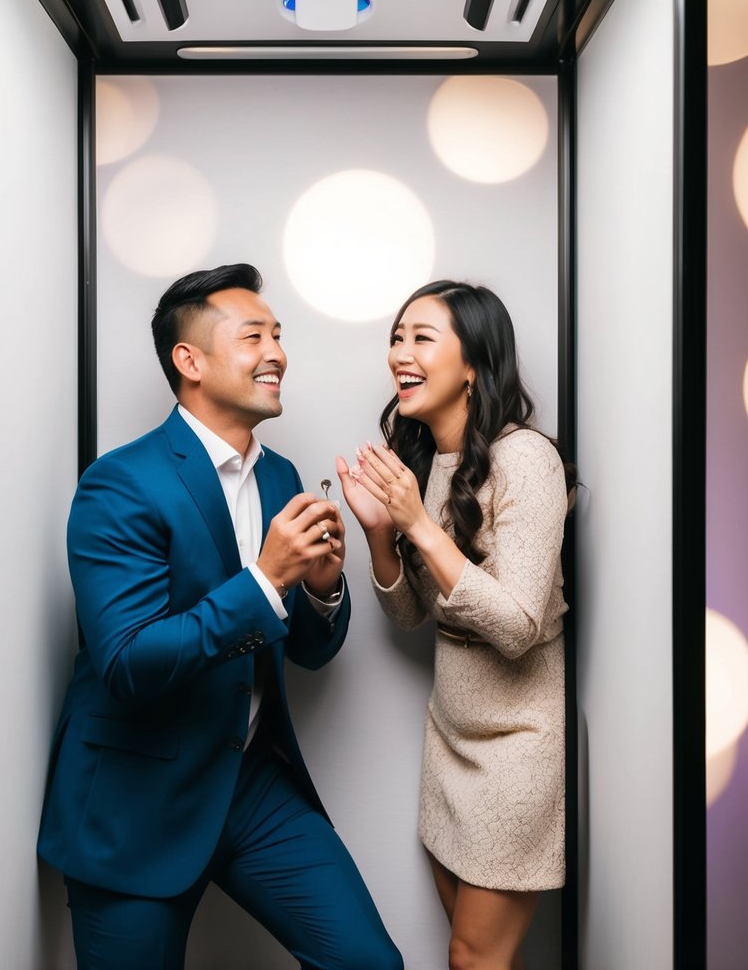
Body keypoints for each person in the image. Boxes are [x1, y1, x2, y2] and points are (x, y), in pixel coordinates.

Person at [38, 263, 403, 970]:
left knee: (368, 963)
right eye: (254, 336)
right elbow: (126, 663)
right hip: (134, 798)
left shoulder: (280, 477)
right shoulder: (120, 483)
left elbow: (306, 651)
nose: (276, 353)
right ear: (190, 360)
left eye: (278, 335)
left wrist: (322, 590)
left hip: (251, 784)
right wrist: (267, 579)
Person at [336, 280, 570, 970]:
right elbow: (413, 616)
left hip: (515, 745)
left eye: (421, 337)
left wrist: (415, 524)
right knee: (468, 954)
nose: (398, 354)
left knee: (473, 957)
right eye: (396, 336)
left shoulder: (525, 457)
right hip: (449, 737)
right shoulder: (424, 460)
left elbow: (518, 626)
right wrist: (381, 534)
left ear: (472, 362)